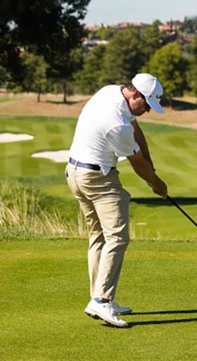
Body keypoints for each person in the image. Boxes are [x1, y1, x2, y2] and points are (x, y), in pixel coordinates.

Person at [65, 73, 169, 328]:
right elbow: (137, 165)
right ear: (135, 94)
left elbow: (137, 132)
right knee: (118, 237)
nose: (147, 111)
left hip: (74, 173)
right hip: (97, 178)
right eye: (146, 105)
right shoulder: (116, 125)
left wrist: (152, 168)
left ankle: (99, 298)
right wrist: (158, 185)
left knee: (99, 236)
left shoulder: (111, 91)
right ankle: (101, 300)